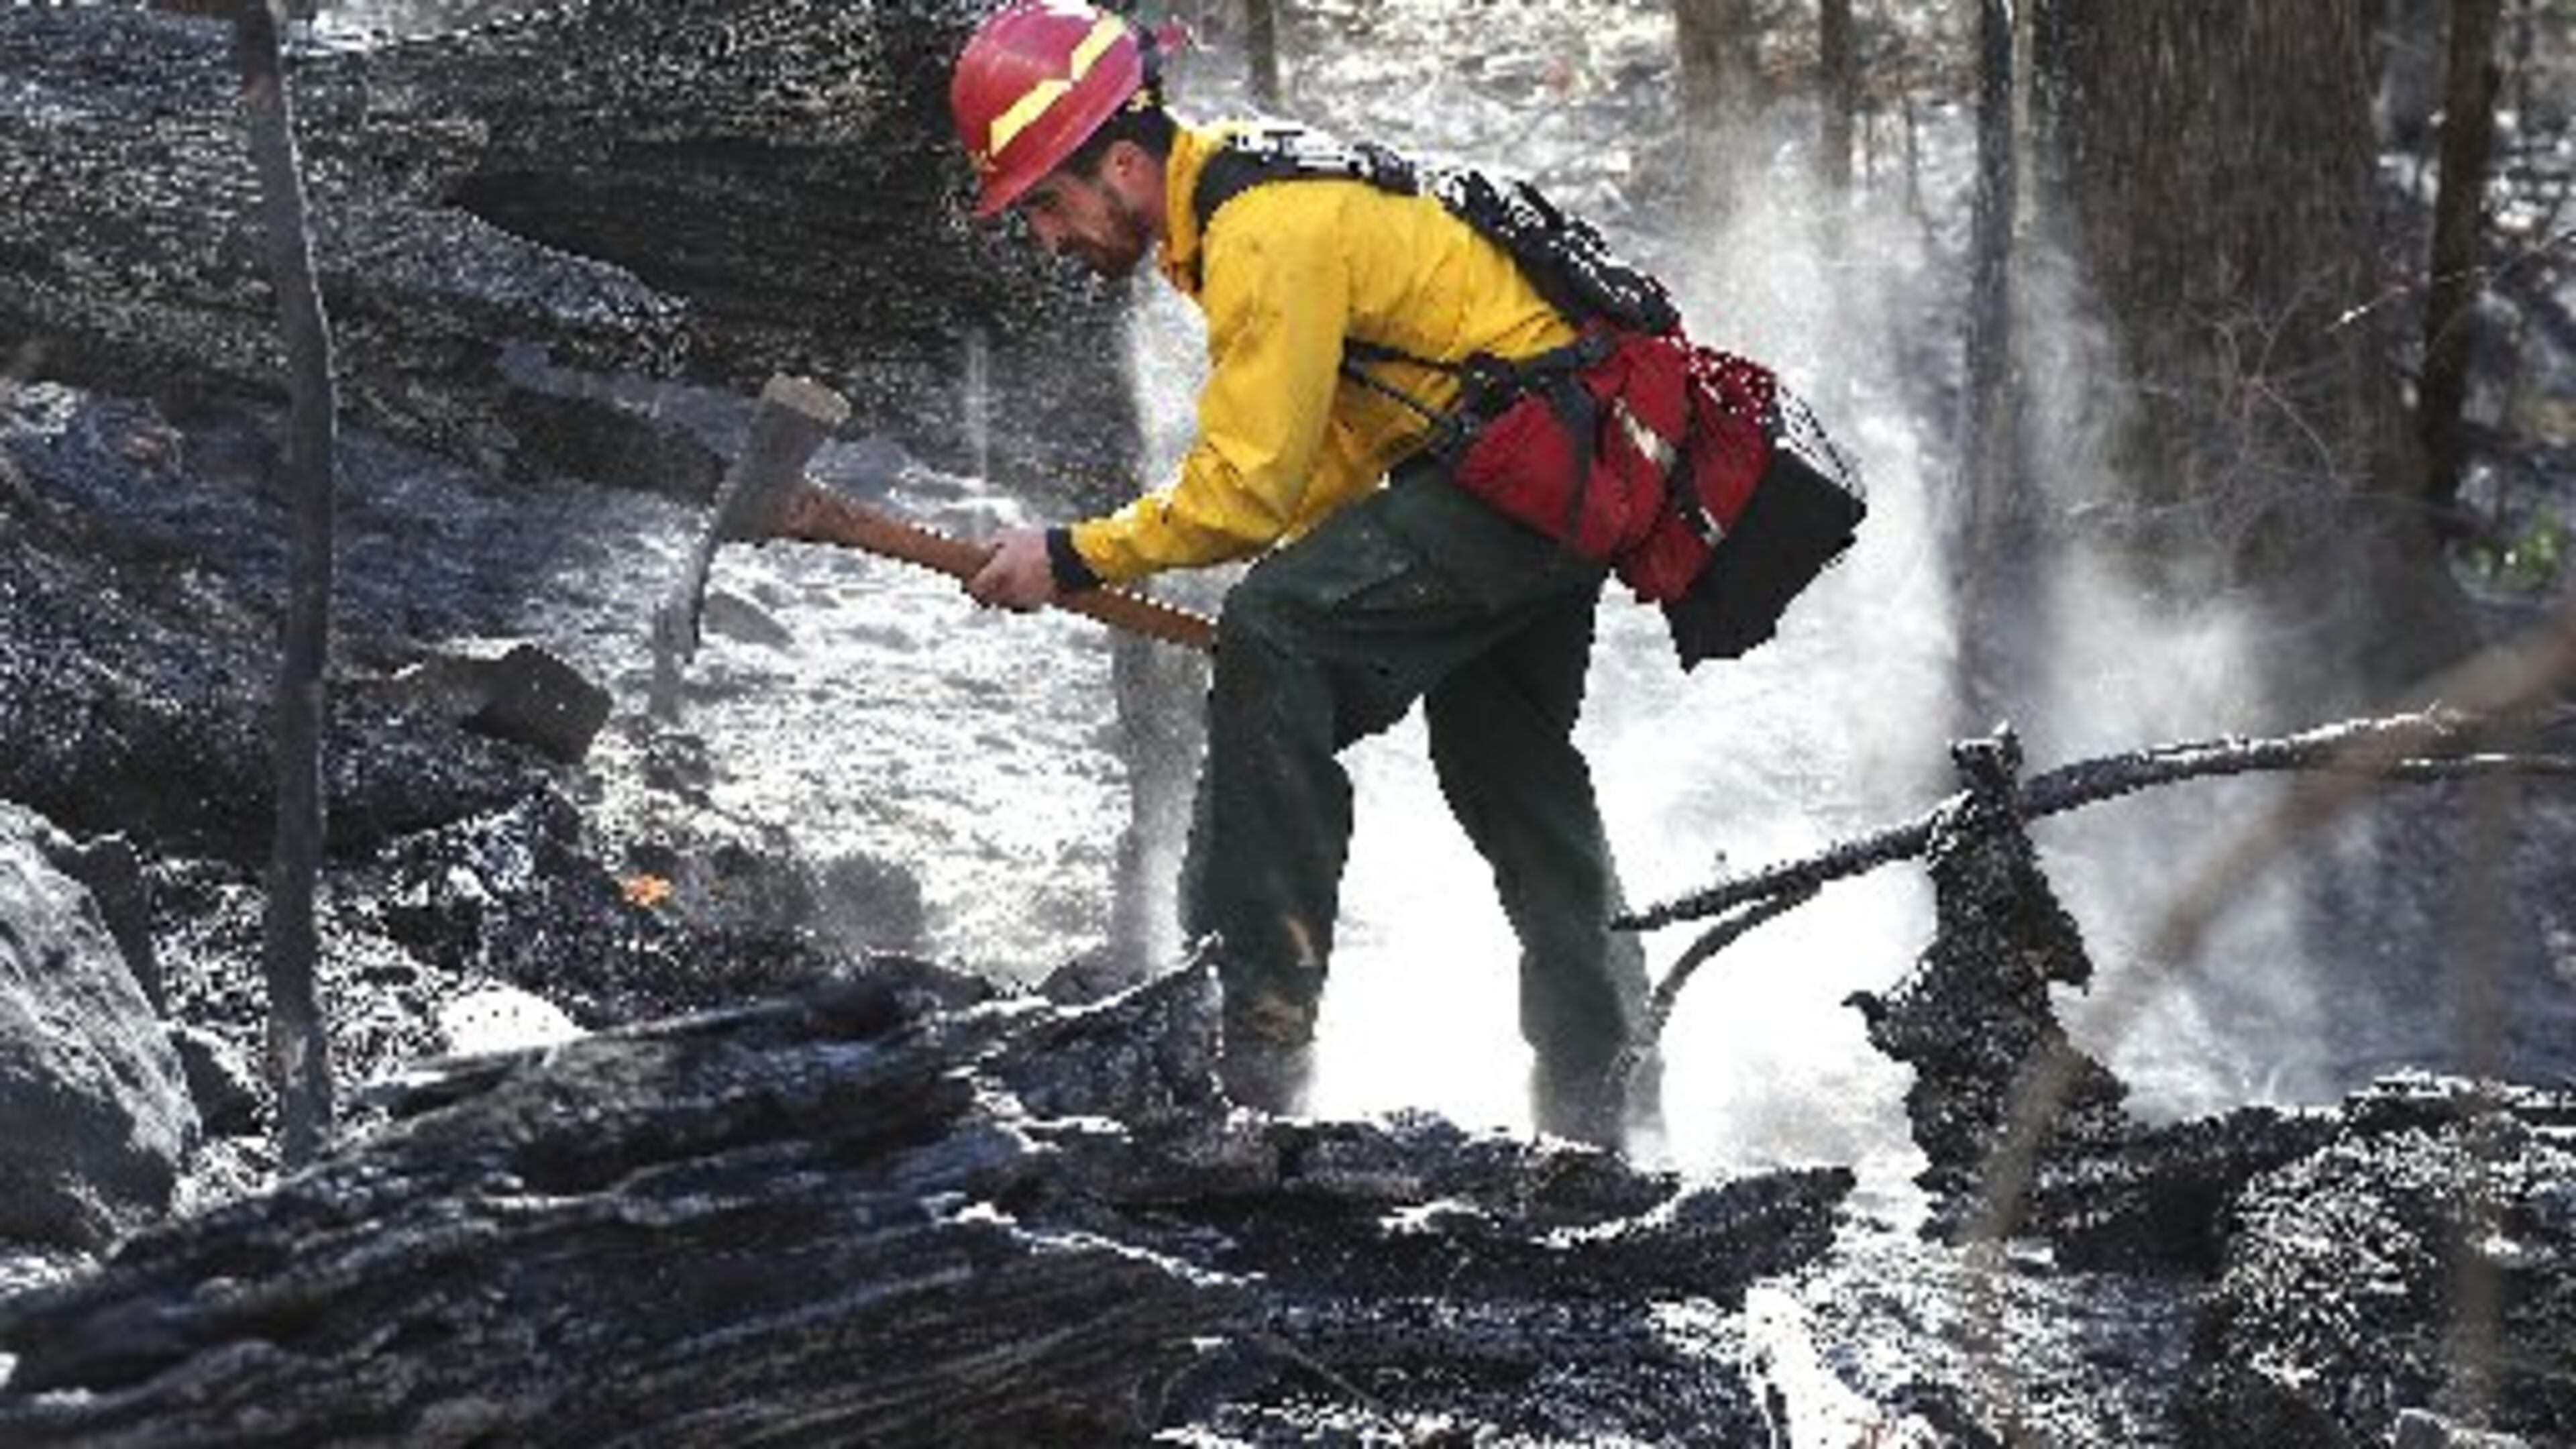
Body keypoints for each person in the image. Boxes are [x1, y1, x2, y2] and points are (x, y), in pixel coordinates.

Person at [951, 0, 1656, 1148]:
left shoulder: (1259, 232)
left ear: (1123, 163)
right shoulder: (1242, 194)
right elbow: (1350, 433)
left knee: (1272, 638)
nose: (1047, 236)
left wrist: (1071, 554)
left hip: (1523, 470)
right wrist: (1291, 559)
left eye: (1046, 202)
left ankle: (1247, 1053)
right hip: (1561, 465)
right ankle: (1603, 1104)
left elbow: (1248, 486)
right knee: (1507, 758)